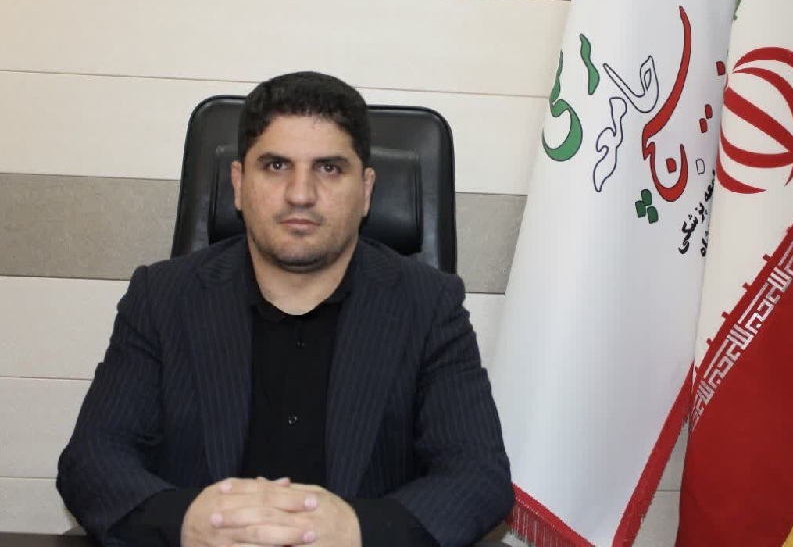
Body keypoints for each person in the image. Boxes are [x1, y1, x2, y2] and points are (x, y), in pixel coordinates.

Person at [57, 71, 514, 547]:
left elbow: (477, 476)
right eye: (276, 166)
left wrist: (357, 529)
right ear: (238, 183)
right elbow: (92, 459)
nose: (300, 193)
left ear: (366, 191)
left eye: (329, 168)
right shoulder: (161, 297)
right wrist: (186, 520)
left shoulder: (430, 306)